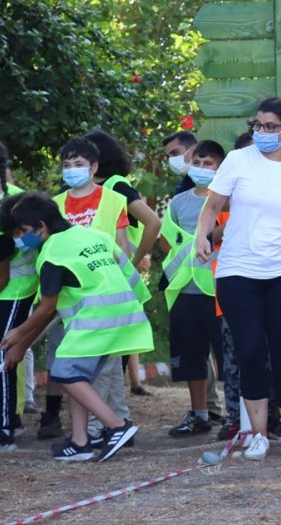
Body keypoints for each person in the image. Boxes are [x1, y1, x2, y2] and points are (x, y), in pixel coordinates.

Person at [196, 97, 281, 461]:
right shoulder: (237, 161)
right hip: (238, 272)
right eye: (257, 126)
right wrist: (202, 235)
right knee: (250, 351)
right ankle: (258, 434)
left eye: (270, 126)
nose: (262, 133)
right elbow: (212, 206)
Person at [0, 193, 153, 462]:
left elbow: (47, 308)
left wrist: (18, 334)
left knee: (65, 371)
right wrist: (21, 346)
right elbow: (130, 273)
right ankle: (80, 442)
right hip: (123, 315)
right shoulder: (92, 235)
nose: (19, 239)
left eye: (22, 231)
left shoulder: (51, 254)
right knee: (77, 376)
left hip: (95, 320)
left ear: (41, 227)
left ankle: (117, 425)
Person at [39, 138, 132, 442]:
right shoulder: (56, 204)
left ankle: (98, 429)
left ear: (94, 167)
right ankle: (116, 421)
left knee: (102, 367)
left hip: (103, 295)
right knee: (89, 364)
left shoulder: (112, 200)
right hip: (70, 298)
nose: (72, 170)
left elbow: (122, 247)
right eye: (66, 165)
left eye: (78, 165)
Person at [84, 130, 163, 399]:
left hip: (114, 276)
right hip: (92, 278)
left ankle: (111, 419)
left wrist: (135, 260)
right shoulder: (80, 189)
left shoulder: (115, 185)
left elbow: (154, 222)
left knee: (111, 353)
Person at [159, 140, 226, 437]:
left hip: (218, 288)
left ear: (221, 167)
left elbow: (232, 229)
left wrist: (207, 237)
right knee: (191, 355)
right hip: (185, 288)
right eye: (197, 162)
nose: (202, 168)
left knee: (228, 356)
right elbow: (166, 239)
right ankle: (199, 413)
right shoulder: (179, 201)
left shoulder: (229, 199)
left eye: (209, 163)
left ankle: (237, 414)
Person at [0, 139, 37, 452]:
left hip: (14, 288)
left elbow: (1, 276)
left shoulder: (4, 207)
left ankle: (4, 428)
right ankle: (3, 420)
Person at [162, 131, 197, 195]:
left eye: (175, 153)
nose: (171, 159)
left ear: (193, 149)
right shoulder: (182, 188)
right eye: (168, 156)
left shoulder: (218, 180)